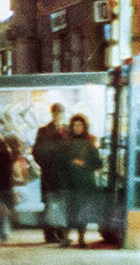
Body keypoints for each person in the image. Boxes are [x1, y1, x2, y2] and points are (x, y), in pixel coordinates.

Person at [61, 114, 103, 247]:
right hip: (70, 181)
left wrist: (84, 163)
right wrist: (70, 162)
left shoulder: (90, 143)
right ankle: (66, 237)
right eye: (75, 125)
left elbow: (98, 163)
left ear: (84, 126)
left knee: (82, 211)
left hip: (85, 183)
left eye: (80, 125)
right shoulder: (67, 143)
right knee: (69, 209)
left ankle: (81, 238)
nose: (77, 128)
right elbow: (59, 162)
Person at [33, 103, 70, 244]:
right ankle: (49, 235)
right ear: (52, 113)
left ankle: (61, 234)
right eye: (56, 112)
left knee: (62, 204)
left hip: (63, 175)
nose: (58, 115)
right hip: (50, 174)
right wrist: (47, 164)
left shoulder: (67, 131)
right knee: (49, 204)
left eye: (60, 112)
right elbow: (37, 152)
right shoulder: (43, 131)